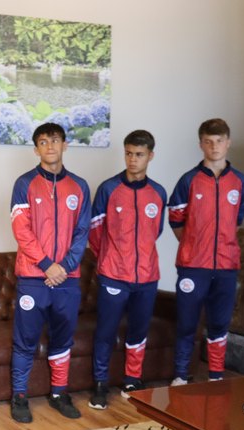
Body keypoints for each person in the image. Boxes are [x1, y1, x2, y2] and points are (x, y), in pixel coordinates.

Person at [9, 122, 91, 423]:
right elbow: (21, 229)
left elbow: (83, 233)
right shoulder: (24, 183)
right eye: (43, 142)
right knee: (25, 339)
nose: (50, 147)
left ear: (65, 145)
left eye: (55, 141)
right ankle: (19, 396)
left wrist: (64, 268)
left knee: (62, 338)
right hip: (33, 278)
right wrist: (47, 265)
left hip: (67, 280)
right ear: (36, 149)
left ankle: (59, 393)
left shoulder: (80, 186)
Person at [87, 130, 167, 409]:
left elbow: (154, 232)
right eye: (129, 153)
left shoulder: (158, 192)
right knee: (106, 331)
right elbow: (95, 231)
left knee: (138, 330)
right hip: (113, 274)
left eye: (139, 154)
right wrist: (110, 258)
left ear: (150, 156)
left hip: (146, 276)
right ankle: (99, 384)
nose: (133, 160)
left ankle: (133, 379)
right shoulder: (109, 189)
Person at [168, 118, 244, 385]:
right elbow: (176, 221)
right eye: (208, 141)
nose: (214, 146)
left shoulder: (240, 182)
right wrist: (195, 244)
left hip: (226, 267)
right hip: (193, 266)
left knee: (219, 324)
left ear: (228, 142)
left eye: (219, 141)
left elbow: (237, 220)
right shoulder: (188, 180)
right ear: (201, 144)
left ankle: (216, 376)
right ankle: (181, 375)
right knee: (187, 324)